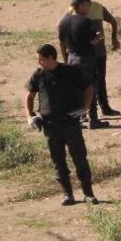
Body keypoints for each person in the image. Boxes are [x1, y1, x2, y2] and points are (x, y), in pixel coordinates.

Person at [24, 44, 99, 206]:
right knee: (58, 161)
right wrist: (30, 116)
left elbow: (89, 89)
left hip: (70, 122)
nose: (39, 61)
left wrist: (84, 109)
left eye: (41, 58)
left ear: (51, 57)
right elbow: (29, 97)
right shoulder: (38, 75)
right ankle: (67, 195)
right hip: (50, 125)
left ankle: (88, 194)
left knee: (80, 159)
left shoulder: (70, 71)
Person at [68, 0, 121, 117]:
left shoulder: (98, 7)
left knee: (100, 80)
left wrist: (114, 39)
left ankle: (105, 108)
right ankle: (85, 113)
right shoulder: (73, 10)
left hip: (98, 52)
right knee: (83, 83)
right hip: (82, 54)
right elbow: (62, 26)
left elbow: (113, 21)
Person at [58, 0, 108, 129]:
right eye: (87, 5)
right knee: (90, 88)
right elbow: (92, 41)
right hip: (86, 59)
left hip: (71, 58)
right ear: (80, 6)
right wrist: (99, 37)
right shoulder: (85, 21)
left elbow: (62, 43)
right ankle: (93, 119)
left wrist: (65, 59)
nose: (89, 7)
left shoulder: (63, 22)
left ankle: (78, 119)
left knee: (77, 91)